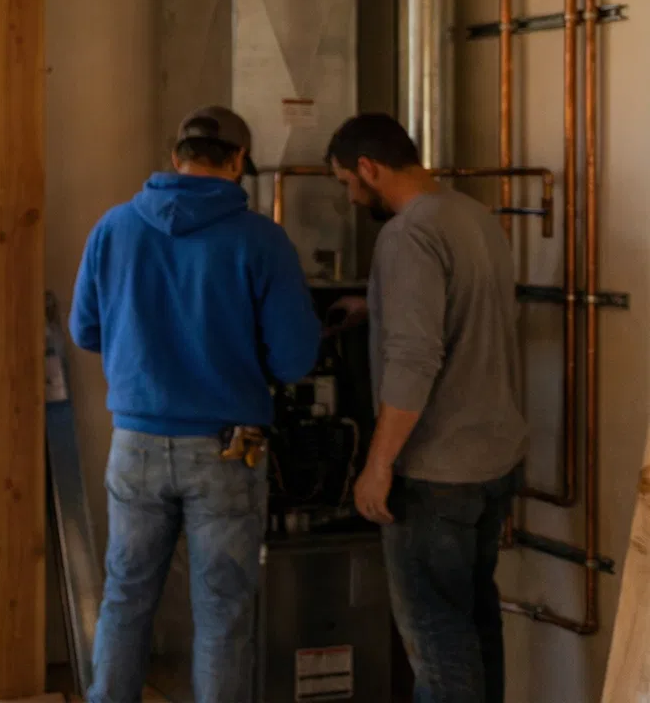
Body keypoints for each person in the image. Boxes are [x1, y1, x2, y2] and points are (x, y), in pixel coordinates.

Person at [70, 105, 320, 703]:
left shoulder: (114, 228)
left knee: (125, 599)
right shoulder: (261, 240)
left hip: (134, 445)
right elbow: (294, 361)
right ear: (238, 162)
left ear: (175, 157)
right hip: (228, 451)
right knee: (223, 615)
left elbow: (85, 330)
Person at [325, 112, 524, 703]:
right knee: (475, 623)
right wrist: (376, 304)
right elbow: (466, 314)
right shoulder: (473, 216)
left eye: (345, 183)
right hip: (494, 462)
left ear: (369, 167)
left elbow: (414, 359)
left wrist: (379, 462)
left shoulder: (407, 234)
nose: (349, 195)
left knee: (437, 642)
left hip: (436, 472)